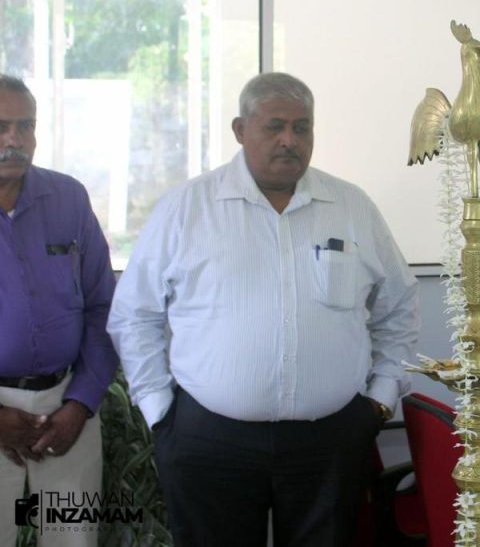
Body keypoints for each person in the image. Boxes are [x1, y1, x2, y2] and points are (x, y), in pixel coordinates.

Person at [107, 72, 421, 546]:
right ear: (240, 129)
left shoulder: (351, 206)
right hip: (208, 440)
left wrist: (380, 397)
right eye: (274, 126)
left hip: (330, 440)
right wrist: (158, 411)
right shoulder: (187, 207)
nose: (289, 140)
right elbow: (135, 313)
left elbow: (398, 305)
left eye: (302, 127)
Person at [0, 75, 118, 547]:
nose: (14, 139)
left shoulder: (68, 198)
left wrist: (81, 403)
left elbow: (103, 307)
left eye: (25, 125)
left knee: (74, 539)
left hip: (66, 412)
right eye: (1, 126)